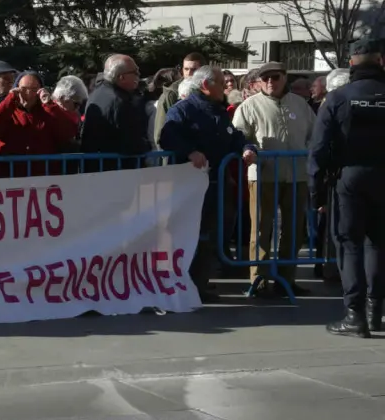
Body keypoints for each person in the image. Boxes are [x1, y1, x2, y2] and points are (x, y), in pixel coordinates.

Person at [159, 66, 258, 302]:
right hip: (188, 186)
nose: (225, 87)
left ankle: (200, 284)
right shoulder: (183, 110)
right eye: (220, 82)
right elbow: (167, 137)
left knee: (210, 235)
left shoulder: (219, 111)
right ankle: (180, 284)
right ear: (206, 85)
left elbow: (233, 136)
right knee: (189, 234)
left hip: (216, 185)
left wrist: (247, 148)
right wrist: (189, 151)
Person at [310, 39, 385, 337]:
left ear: (351, 62)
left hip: (349, 177)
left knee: (349, 243)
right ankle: (375, 311)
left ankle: (355, 315)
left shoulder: (339, 97)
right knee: (378, 243)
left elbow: (318, 147)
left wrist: (316, 191)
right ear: (380, 61)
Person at [231, 62, 316, 295]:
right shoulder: (249, 106)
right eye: (265, 78)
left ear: (284, 77)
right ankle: (258, 280)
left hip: (296, 176)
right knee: (260, 229)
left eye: (275, 77)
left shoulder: (301, 105)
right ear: (258, 81)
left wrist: (309, 155)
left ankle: (287, 279)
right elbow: (238, 137)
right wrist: (247, 150)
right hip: (262, 176)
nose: (270, 82)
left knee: (293, 229)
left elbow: (314, 134)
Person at [0, 71, 79, 177]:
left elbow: (69, 132)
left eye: (34, 89)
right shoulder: (8, 109)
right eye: (23, 89)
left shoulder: (48, 110)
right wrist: (9, 100)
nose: (28, 94)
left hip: (43, 175)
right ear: (16, 89)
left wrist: (50, 105)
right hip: (11, 175)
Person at [81, 54, 151, 166]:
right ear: (121, 77)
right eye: (135, 72)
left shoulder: (96, 93)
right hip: (117, 168)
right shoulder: (120, 102)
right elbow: (132, 144)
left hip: (97, 167)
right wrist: (146, 145)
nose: (139, 75)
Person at [152, 53, 206, 148]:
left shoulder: (209, 90)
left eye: (194, 70)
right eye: (186, 69)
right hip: (180, 153)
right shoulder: (171, 94)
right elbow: (160, 134)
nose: (189, 73)